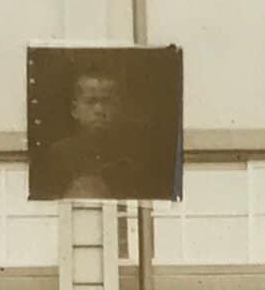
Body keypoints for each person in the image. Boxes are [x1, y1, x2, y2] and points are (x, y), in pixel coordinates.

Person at [31, 64, 171, 201]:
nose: (99, 110)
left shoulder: (133, 156)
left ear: (119, 107)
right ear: (75, 110)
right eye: (91, 101)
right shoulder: (58, 155)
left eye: (107, 101)